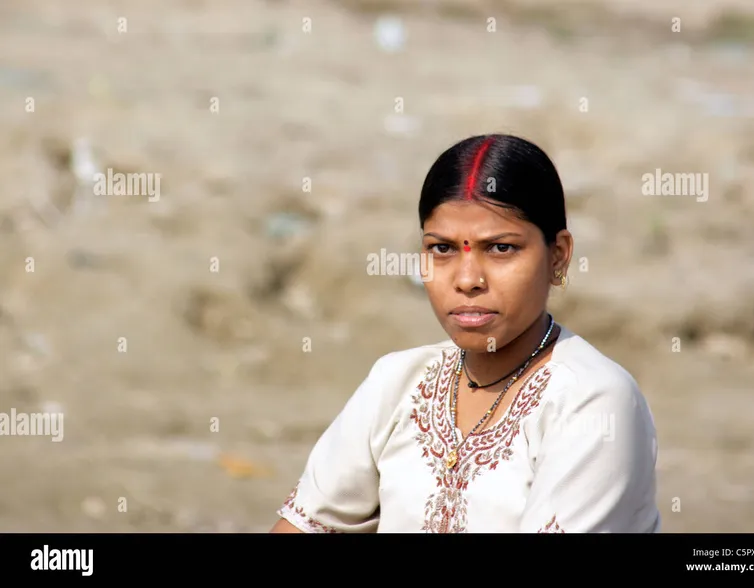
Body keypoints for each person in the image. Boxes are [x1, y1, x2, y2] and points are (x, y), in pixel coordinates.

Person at [270, 133, 660, 533]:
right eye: (442, 249)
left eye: (501, 249)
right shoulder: (399, 382)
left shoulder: (592, 401)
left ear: (558, 256)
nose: (468, 279)